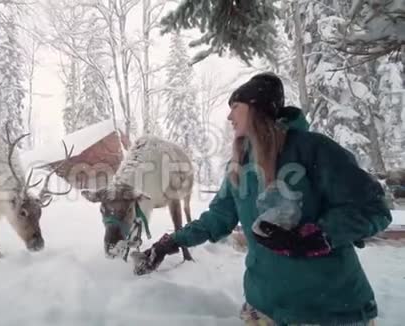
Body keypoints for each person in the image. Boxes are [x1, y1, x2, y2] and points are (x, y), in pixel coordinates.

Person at [133, 72, 392, 326]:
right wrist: (170, 243)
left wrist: (318, 236)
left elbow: (373, 208)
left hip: (330, 310)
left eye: (235, 106)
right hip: (264, 309)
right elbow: (217, 218)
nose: (229, 116)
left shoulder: (314, 149)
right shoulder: (238, 167)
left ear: (255, 108)